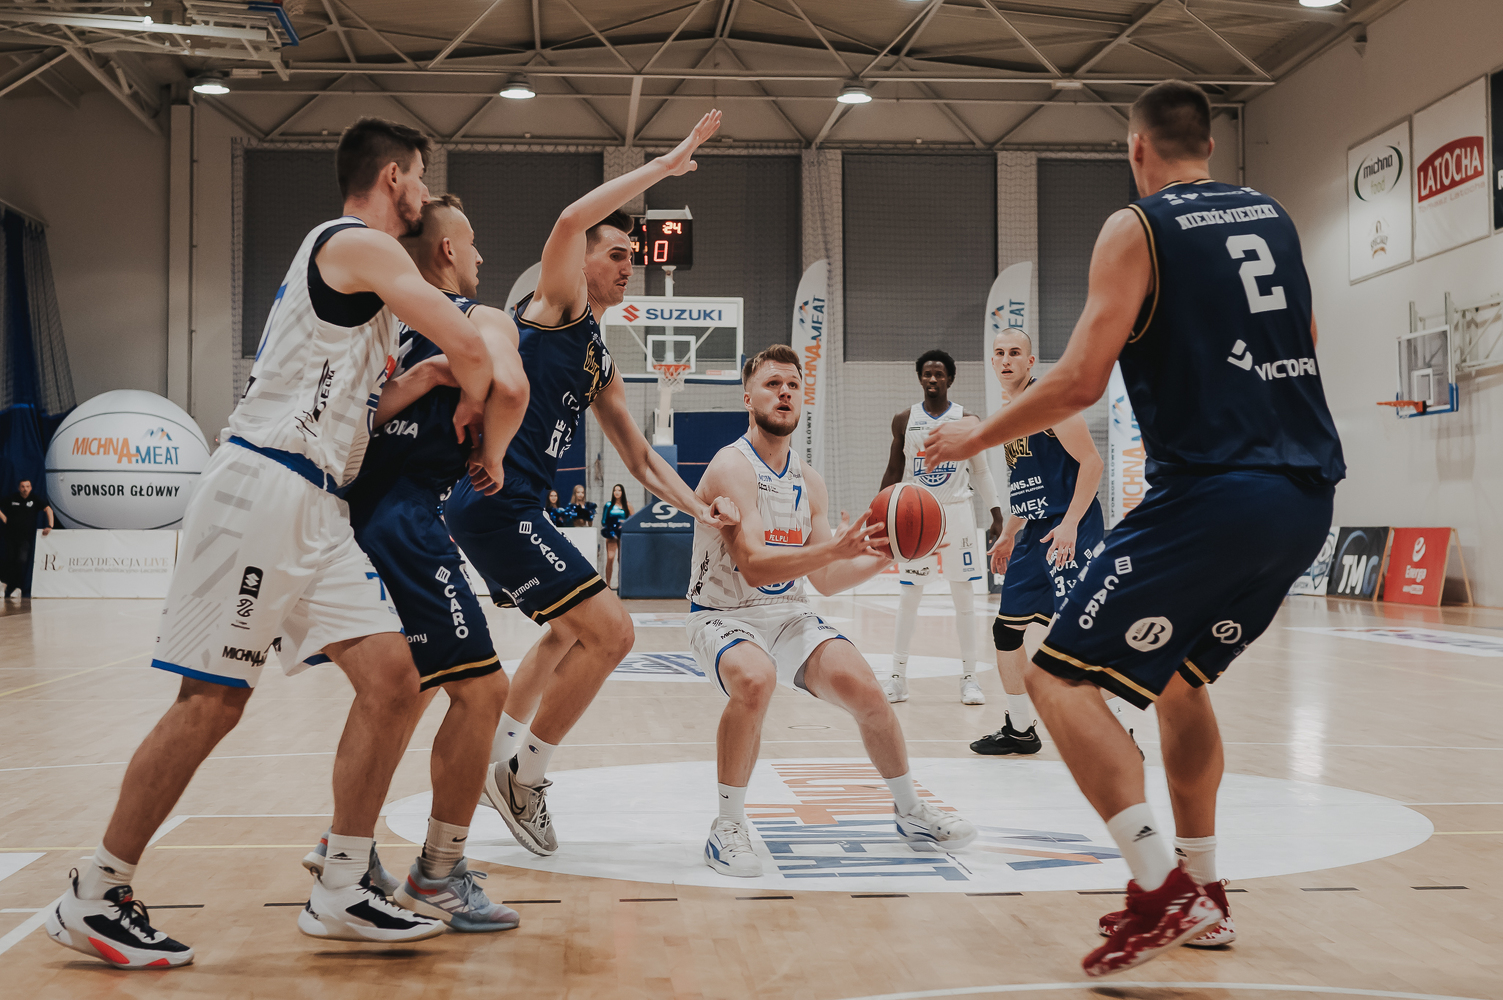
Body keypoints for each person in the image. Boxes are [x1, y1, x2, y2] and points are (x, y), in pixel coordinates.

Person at [45, 116, 501, 969]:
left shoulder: (366, 280)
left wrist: (426, 379)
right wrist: (473, 392)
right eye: (418, 176)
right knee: (212, 702)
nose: (422, 193)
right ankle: (95, 894)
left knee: (394, 679)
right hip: (262, 487)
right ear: (394, 176)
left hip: (317, 503)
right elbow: (471, 340)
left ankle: (342, 885)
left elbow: (363, 404)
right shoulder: (356, 242)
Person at [922, 81, 1343, 976]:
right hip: (1305, 495)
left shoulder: (1136, 227)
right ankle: (1206, 891)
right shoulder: (1272, 216)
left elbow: (1078, 381)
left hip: (1212, 495)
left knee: (1055, 678)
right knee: (1181, 683)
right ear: (1209, 145)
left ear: (1135, 148)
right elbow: (1304, 337)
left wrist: (973, 437)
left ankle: (1160, 888)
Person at [446, 110, 737, 858]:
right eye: (615, 254)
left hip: (512, 508)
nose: (626, 265)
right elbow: (571, 218)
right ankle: (523, 776)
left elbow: (639, 458)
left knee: (566, 633)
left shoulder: (599, 356)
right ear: (581, 263)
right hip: (497, 502)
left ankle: (495, 759)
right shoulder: (558, 305)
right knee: (615, 632)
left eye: (629, 257)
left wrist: (698, 507)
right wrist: (666, 165)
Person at [299, 194, 528, 933]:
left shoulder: (374, 320)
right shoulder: (472, 317)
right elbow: (512, 386)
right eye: (473, 242)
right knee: (483, 692)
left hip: (339, 513)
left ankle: (345, 844)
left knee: (399, 687)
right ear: (449, 252)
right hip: (405, 517)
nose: (481, 256)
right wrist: (493, 454)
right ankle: (438, 873)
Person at [690, 345, 977, 877]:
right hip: (723, 614)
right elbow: (753, 565)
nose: (784, 393)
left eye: (793, 386)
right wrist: (833, 550)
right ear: (748, 397)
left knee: (868, 691)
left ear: (803, 398)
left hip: (788, 614)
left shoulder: (809, 480)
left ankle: (911, 812)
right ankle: (726, 826)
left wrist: (888, 555)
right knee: (755, 679)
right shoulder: (732, 466)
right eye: (772, 384)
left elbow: (825, 580)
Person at [970, 329, 1104, 757]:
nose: (1006, 359)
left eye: (1015, 353)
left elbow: (1092, 463)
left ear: (1030, 362)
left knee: (1080, 634)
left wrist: (1070, 524)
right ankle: (1020, 728)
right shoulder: (1011, 413)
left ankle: (1117, 733)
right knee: (1006, 630)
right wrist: (1010, 532)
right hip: (1034, 532)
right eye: (999, 353)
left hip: (1070, 528)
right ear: (992, 362)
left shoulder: (1049, 402)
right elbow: (1030, 484)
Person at [878, 350, 1004, 705]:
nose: (933, 379)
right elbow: (894, 471)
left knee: (964, 598)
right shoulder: (904, 420)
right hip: (917, 517)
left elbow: (981, 471)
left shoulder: (965, 420)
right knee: (909, 596)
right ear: (920, 378)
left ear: (950, 379)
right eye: (927, 374)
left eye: (939, 374)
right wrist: (879, 516)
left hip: (958, 513)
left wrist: (997, 514)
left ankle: (969, 678)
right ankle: (898, 678)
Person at [1, 479, 53, 598]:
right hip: (10, 536)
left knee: (21, 561)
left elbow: (48, 509)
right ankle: (5, 585)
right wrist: (4, 518)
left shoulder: (34, 499)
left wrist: (50, 525)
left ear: (31, 488)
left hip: (25, 537)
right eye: (23, 486)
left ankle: (18, 587)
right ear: (19, 488)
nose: (25, 489)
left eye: (27, 486)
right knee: (9, 560)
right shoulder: (12, 498)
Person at [600, 483, 630, 589]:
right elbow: (603, 521)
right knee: (610, 557)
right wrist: (612, 525)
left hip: (623, 534)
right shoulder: (608, 505)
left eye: (619, 490)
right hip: (611, 534)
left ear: (622, 492)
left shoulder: (627, 505)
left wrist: (623, 523)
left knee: (620, 559)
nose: (617, 492)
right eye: (615, 490)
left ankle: (621, 584)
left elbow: (632, 520)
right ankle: (607, 584)